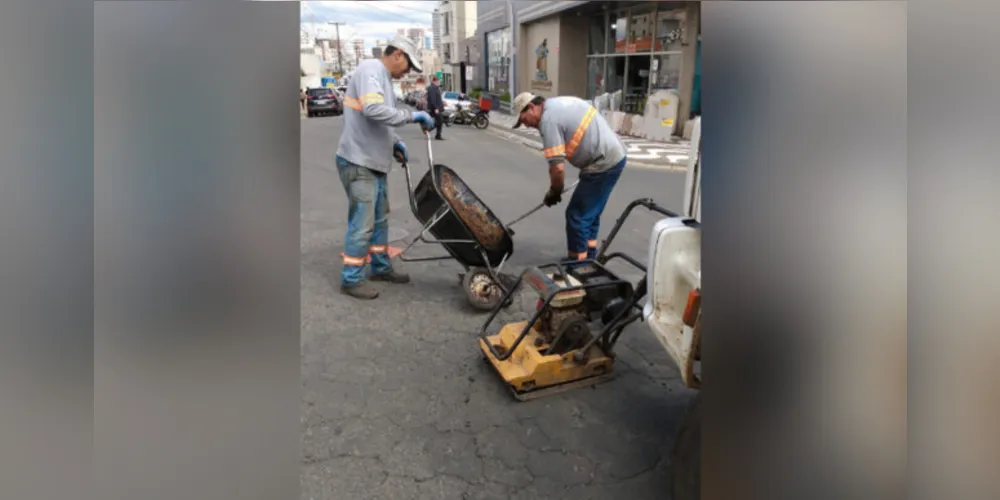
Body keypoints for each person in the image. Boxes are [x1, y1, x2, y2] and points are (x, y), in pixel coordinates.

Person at [336, 35, 436, 300]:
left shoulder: (384, 81)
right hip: (359, 161)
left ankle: (380, 267)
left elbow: (382, 121)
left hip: (374, 161)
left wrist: (395, 142)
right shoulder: (371, 69)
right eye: (408, 66)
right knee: (363, 223)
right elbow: (372, 109)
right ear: (398, 54)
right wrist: (412, 115)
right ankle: (351, 278)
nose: (408, 72)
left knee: (380, 220)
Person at [511, 92, 627, 262]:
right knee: (590, 214)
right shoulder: (557, 104)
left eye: (523, 119)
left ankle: (578, 265)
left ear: (531, 107)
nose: (526, 125)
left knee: (577, 215)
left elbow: (557, 168)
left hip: (602, 163)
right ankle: (588, 257)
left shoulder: (548, 121)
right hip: (613, 156)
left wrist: (554, 191)